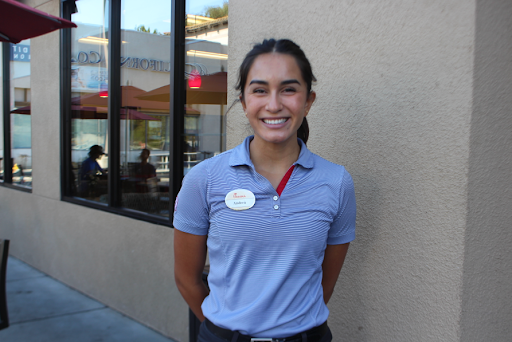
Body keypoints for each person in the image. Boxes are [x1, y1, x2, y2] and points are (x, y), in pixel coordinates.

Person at [173, 38, 356, 342]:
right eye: (259, 90)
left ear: (308, 100)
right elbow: (186, 279)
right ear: (244, 102)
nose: (274, 104)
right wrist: (226, 329)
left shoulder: (337, 182)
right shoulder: (203, 179)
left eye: (288, 89)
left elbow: (325, 284)